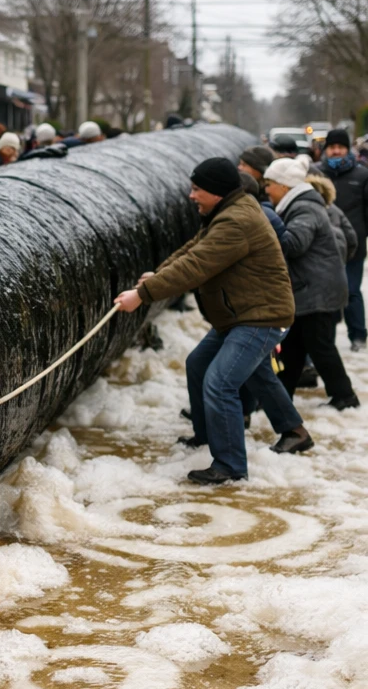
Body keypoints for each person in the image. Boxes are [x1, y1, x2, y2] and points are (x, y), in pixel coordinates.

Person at [114, 157, 312, 485]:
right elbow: (191, 251)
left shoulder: (237, 221)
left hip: (261, 317)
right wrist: (158, 276)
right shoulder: (223, 213)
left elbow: (197, 266)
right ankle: (288, 431)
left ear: (218, 192)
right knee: (203, 365)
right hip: (241, 315)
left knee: (220, 382)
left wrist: (143, 295)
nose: (191, 195)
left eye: (197, 189)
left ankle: (230, 466)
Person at [263, 158, 359, 409]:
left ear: (284, 186)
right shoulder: (301, 204)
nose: (266, 189)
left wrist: (266, 221)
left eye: (269, 184)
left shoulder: (304, 208)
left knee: (320, 347)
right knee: (294, 348)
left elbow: (294, 244)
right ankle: (280, 398)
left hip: (317, 292)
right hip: (312, 289)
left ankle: (345, 397)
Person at [313, 128, 368, 351]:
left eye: (340, 147)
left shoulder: (362, 175)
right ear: (326, 150)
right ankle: (327, 336)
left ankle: (358, 334)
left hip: (353, 244)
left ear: (348, 150)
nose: (336, 151)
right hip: (323, 245)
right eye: (332, 147)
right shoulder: (317, 174)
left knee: (351, 289)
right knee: (327, 291)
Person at [306, 173, 358, 265]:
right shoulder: (335, 210)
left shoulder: (303, 209)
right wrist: (342, 260)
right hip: (335, 263)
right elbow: (351, 239)